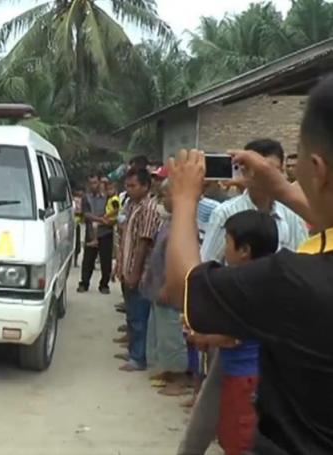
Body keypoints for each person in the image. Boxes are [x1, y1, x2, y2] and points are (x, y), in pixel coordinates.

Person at [166, 75, 333, 455]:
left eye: (296, 161)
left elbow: (184, 286)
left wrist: (185, 200)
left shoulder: (293, 280)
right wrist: (282, 187)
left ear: (318, 169)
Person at [176, 139, 309, 455]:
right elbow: (204, 267)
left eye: (271, 169)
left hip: (275, 333)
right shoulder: (227, 213)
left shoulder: (291, 215)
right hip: (232, 320)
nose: (264, 175)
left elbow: (302, 263)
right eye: (257, 168)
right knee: (217, 403)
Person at [199, 210, 278, 455]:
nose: (224, 250)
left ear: (244, 250)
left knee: (239, 439)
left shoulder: (244, 287)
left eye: (227, 242)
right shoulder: (268, 279)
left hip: (244, 379)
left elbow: (230, 337)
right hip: (250, 374)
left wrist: (200, 336)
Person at [141, 178, 189, 396]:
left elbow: (179, 259)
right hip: (158, 286)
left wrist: (169, 285)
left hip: (170, 290)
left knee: (172, 335)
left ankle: (179, 378)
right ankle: (167, 371)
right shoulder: (169, 221)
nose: (162, 200)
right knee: (160, 332)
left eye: (165, 195)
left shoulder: (183, 224)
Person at [116, 167, 159, 372]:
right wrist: (120, 265)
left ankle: (139, 357)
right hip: (127, 268)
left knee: (139, 316)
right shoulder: (132, 206)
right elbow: (126, 239)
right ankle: (133, 350)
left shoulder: (148, 209)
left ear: (145, 186)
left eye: (133, 186)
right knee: (132, 313)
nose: (129, 189)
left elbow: (143, 243)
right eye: (127, 185)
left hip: (140, 273)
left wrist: (134, 273)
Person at [78, 174, 113, 294]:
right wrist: (100, 219)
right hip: (91, 232)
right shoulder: (86, 197)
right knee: (88, 260)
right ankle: (84, 283)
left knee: (106, 260)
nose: (93, 186)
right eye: (91, 183)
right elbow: (86, 214)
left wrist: (106, 220)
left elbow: (113, 210)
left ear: (99, 182)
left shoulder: (107, 196)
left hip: (106, 232)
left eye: (95, 183)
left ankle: (104, 285)